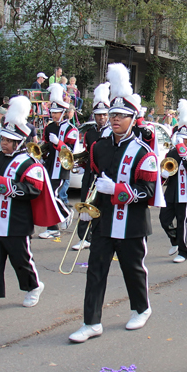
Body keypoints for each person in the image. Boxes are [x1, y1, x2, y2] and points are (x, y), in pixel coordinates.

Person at [68, 63, 164, 343]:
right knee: (96, 270)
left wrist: (119, 190)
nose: (115, 120)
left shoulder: (145, 152)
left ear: (134, 119)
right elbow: (95, 179)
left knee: (132, 269)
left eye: (122, 115)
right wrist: (87, 207)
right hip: (103, 218)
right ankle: (91, 322)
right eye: (112, 115)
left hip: (132, 223)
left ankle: (142, 308)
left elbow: (147, 192)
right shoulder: (99, 147)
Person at [0, 96, 68, 317]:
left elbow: (33, 190)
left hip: (17, 222)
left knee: (21, 260)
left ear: (19, 142)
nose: (4, 143)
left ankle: (34, 286)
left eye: (8, 140)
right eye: (3, 138)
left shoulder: (30, 163)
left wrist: (4, 185)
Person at [160, 105, 187, 263]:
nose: (181, 139)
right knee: (164, 219)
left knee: (181, 222)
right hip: (171, 191)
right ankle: (175, 240)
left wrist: (184, 154)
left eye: (184, 138)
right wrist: (163, 174)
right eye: (180, 136)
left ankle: (184, 251)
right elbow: (166, 168)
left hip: (185, 192)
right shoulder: (172, 152)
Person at [73, 83, 111, 251]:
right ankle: (84, 237)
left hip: (105, 175)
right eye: (98, 115)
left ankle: (101, 236)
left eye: (104, 115)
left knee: (103, 206)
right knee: (85, 204)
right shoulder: (90, 133)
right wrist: (82, 163)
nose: (101, 118)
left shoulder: (112, 133)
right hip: (89, 174)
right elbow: (88, 151)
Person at [38, 84, 77, 239]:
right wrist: (40, 154)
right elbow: (45, 145)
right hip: (49, 165)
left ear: (63, 113)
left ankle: (66, 212)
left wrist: (59, 143)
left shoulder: (71, 130)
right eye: (52, 112)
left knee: (53, 195)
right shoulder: (49, 128)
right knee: (48, 196)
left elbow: (70, 151)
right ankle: (52, 228)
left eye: (56, 112)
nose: (53, 115)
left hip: (61, 168)